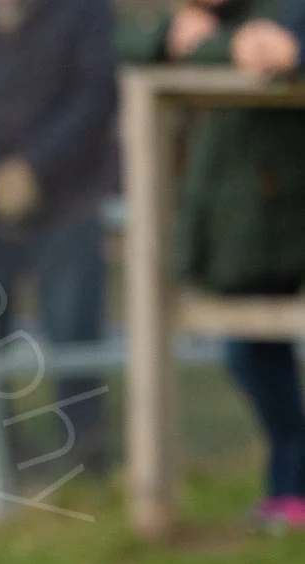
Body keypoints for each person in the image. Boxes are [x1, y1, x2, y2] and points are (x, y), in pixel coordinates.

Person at [122, 0, 305, 528]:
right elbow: (130, 42)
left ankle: (291, 487)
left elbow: (274, 46)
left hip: (279, 214)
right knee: (249, 356)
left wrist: (279, 50)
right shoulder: (200, 20)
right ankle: (289, 488)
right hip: (236, 228)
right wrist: (177, 37)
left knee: (257, 356)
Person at [0, 0, 117, 477]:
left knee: (74, 332)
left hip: (71, 196)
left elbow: (96, 95)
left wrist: (33, 168)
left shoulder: (84, 12)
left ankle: (85, 464)